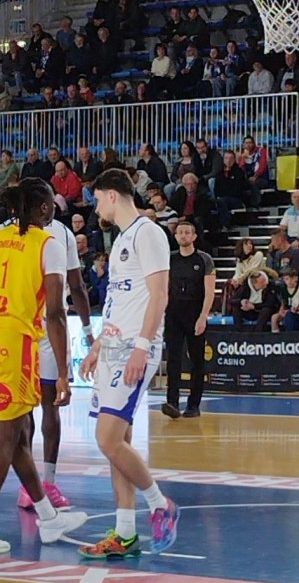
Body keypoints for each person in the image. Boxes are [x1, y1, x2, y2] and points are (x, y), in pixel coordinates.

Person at [0, 179, 87, 554]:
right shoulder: (48, 245)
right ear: (44, 209)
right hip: (16, 343)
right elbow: (55, 313)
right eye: (51, 204)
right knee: (6, 438)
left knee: (15, 435)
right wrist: (63, 371)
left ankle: (48, 518)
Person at [77, 169, 179, 559]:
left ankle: (160, 504)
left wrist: (141, 347)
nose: (96, 204)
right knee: (116, 444)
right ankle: (125, 532)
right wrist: (98, 346)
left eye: (98, 197)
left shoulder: (148, 232)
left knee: (106, 438)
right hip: (114, 347)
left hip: (134, 350)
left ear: (113, 196)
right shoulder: (122, 238)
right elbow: (120, 302)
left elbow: (159, 295)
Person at [18, 200, 95, 510]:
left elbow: (76, 284)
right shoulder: (60, 233)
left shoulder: (2, 232)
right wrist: (88, 331)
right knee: (50, 404)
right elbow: (76, 285)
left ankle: (33, 485)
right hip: (46, 326)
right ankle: (44, 483)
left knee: (26, 410)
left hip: (22, 326)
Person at [161, 219, 216, 419]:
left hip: (194, 314)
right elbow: (162, 288)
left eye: (187, 232)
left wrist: (203, 317)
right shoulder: (169, 259)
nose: (183, 235)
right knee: (173, 359)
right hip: (174, 313)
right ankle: (172, 402)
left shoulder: (204, 259)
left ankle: (193, 405)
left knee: (197, 360)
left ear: (193, 236)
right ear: (175, 237)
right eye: (180, 232)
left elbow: (210, 292)